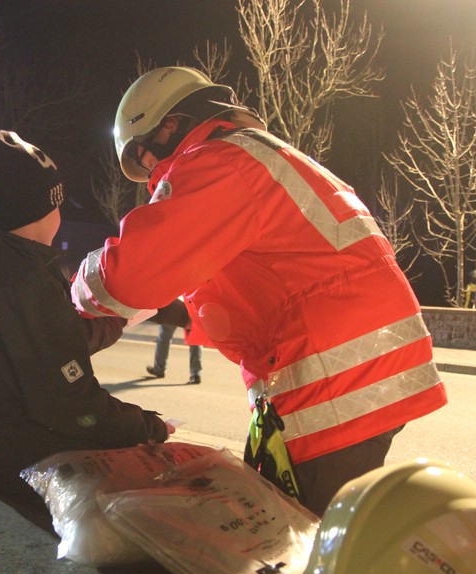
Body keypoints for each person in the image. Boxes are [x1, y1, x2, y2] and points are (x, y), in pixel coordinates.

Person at [71, 67, 448, 516]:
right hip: (357, 363)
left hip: (333, 372)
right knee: (294, 515)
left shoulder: (217, 162)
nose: (150, 170)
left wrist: (71, 296)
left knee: (298, 534)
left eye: (144, 155)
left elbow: (133, 274)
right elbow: (196, 278)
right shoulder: (260, 156)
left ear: (169, 125)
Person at [0, 130, 170, 518]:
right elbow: (72, 406)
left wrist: (118, 320)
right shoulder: (18, 279)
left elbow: (51, 341)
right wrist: (146, 427)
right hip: (12, 451)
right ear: (36, 211)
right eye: (57, 204)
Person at [146, 298, 202, 384]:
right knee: (195, 338)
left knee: (164, 336)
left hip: (175, 303)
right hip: (191, 303)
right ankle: (195, 374)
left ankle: (159, 369)